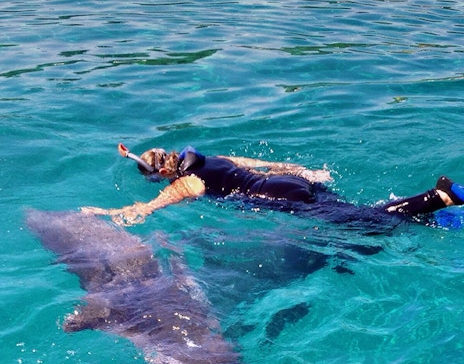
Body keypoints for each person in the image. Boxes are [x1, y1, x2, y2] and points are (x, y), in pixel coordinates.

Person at [81, 144, 464, 228]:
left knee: (362, 222)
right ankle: (433, 216)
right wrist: (308, 170)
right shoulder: (213, 158)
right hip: (287, 181)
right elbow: (263, 164)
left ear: (160, 175)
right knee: (358, 211)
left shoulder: (185, 184)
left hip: (278, 197)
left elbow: (145, 210)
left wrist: (105, 213)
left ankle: (439, 197)